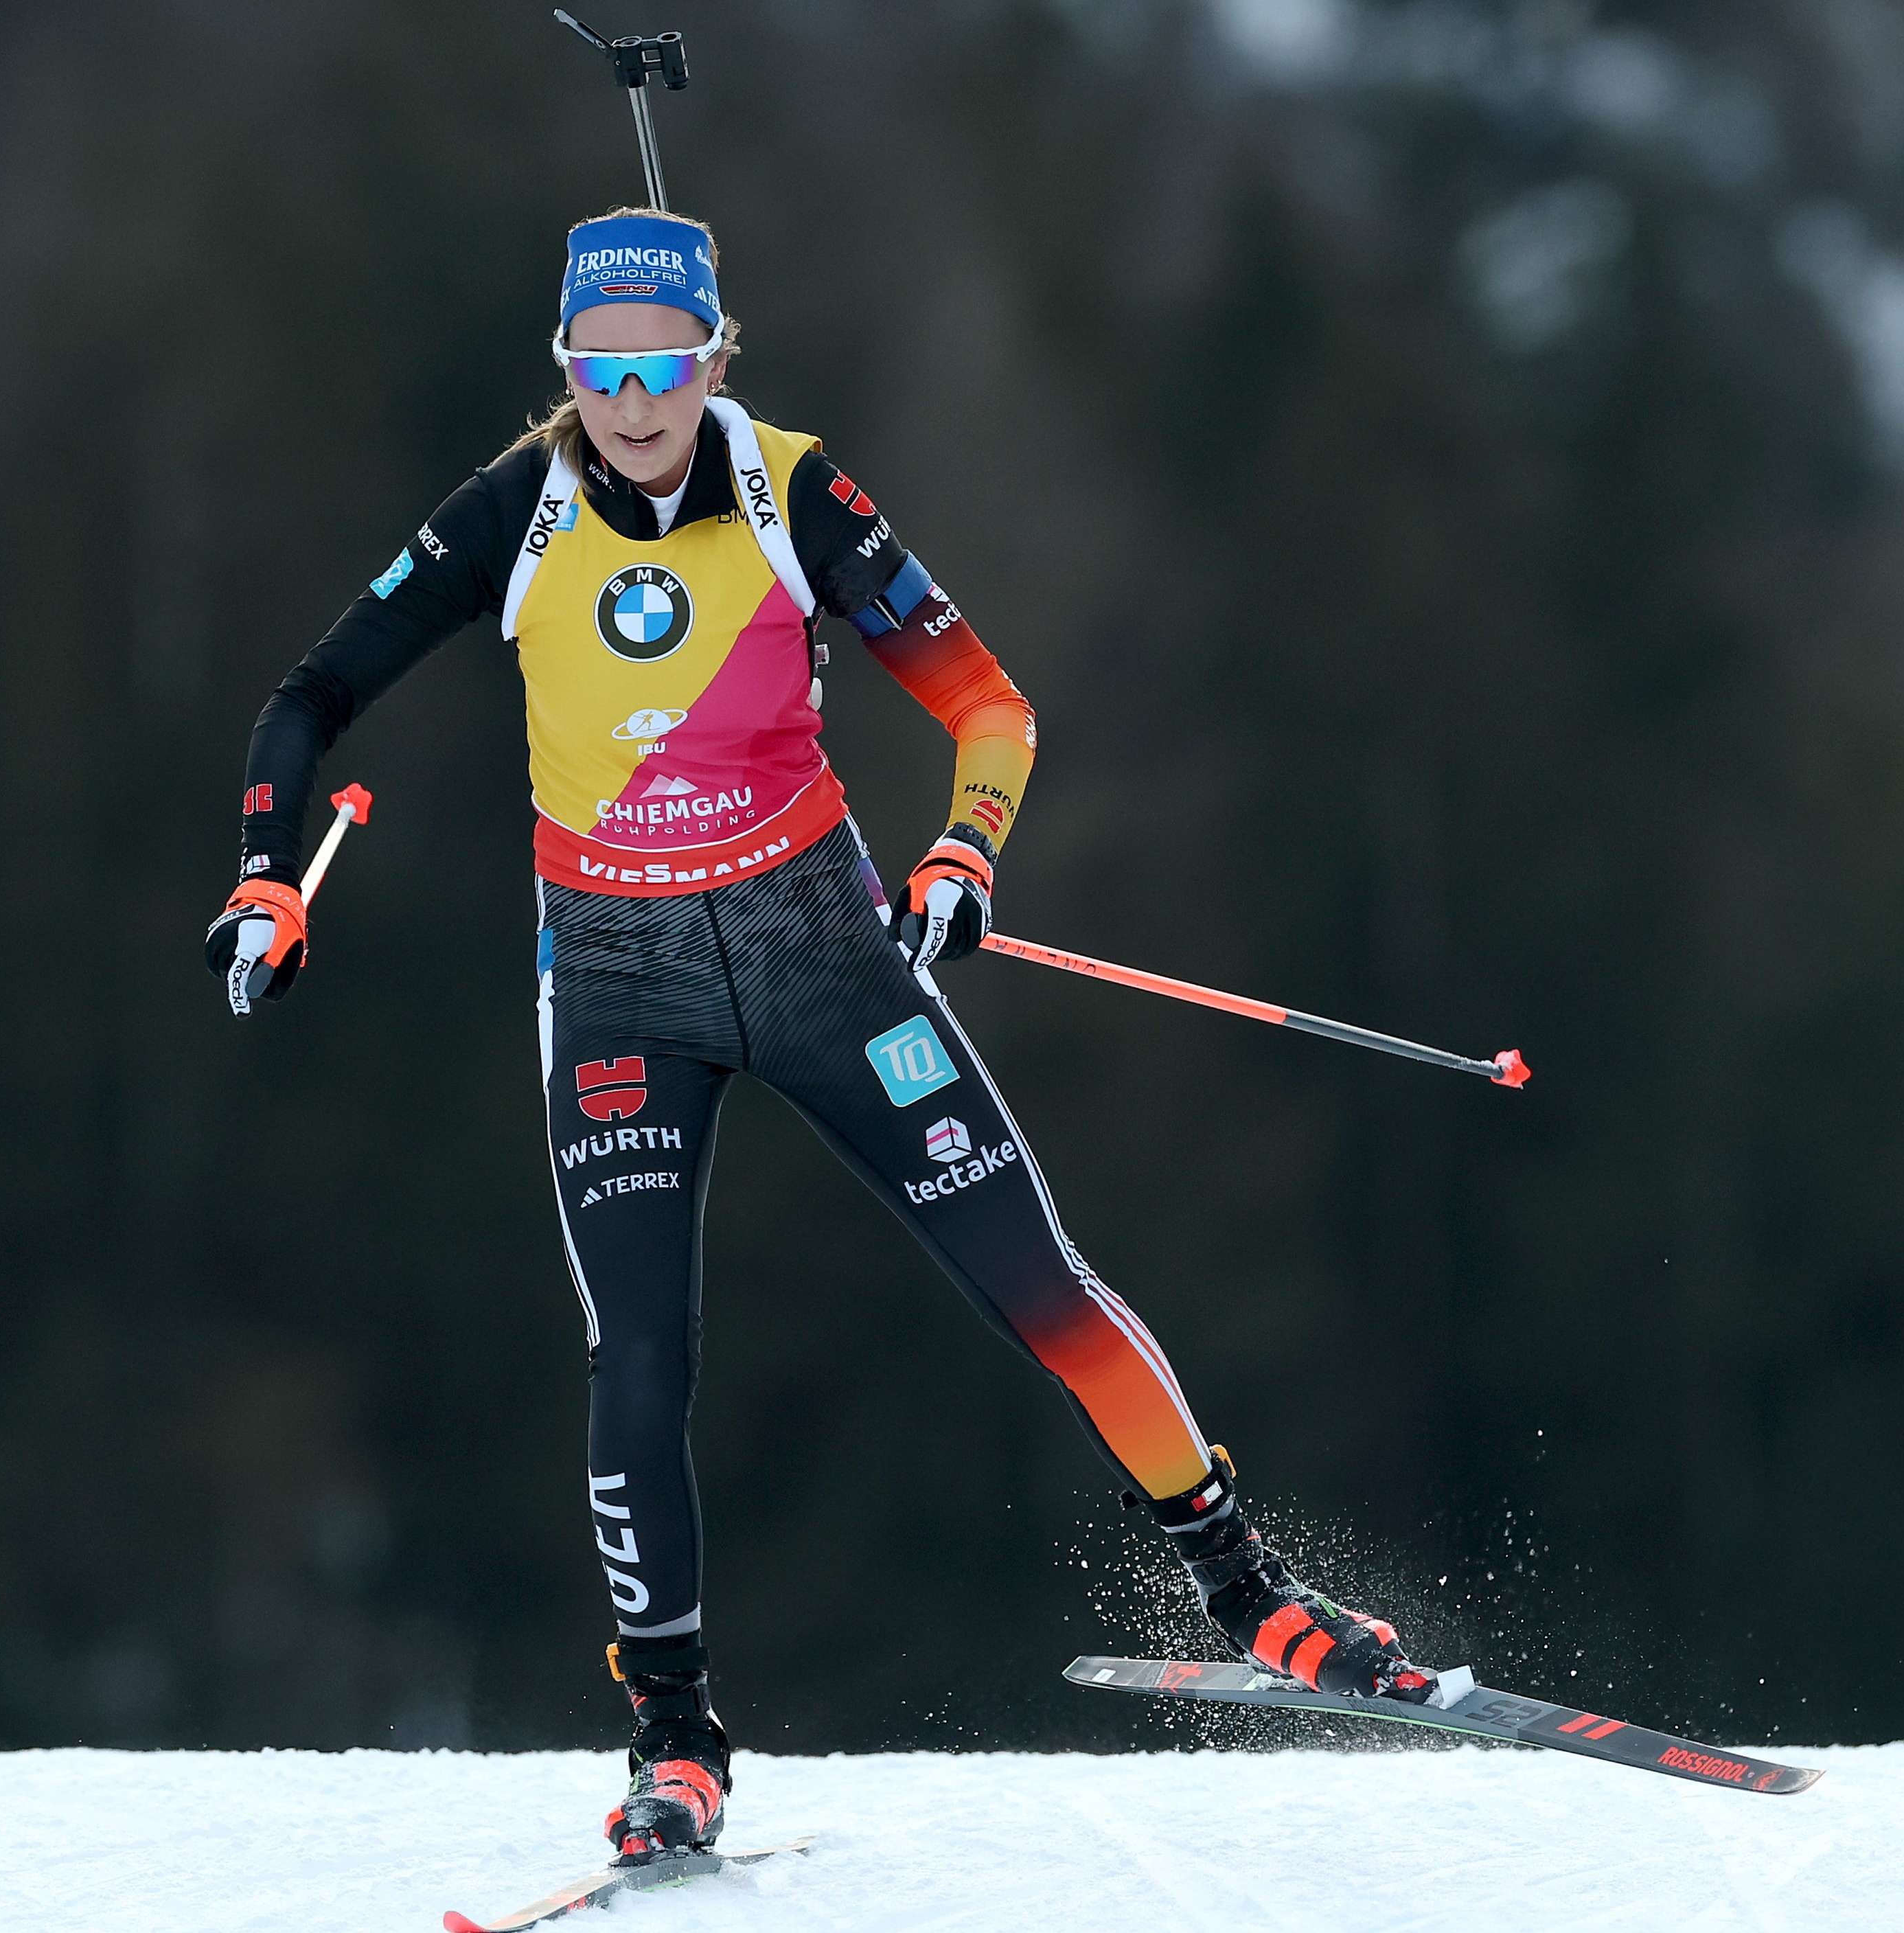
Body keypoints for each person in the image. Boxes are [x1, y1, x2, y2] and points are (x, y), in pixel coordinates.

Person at [209, 207, 1441, 1862]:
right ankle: (675, 1737)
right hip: (622, 984)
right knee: (639, 1362)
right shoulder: (514, 513)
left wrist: (961, 855)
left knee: (1041, 1281)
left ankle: (1250, 1595)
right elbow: (311, 695)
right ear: (564, 370)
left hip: (822, 956)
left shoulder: (797, 493)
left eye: (664, 364)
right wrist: (268, 882)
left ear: (717, 358)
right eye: (600, 366)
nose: (633, 398)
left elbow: (988, 701)